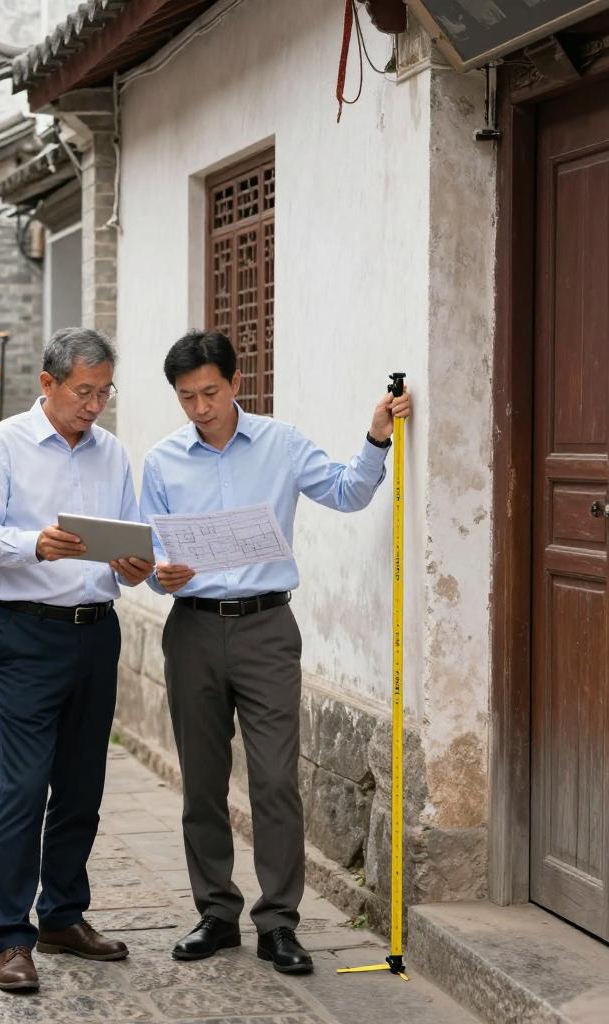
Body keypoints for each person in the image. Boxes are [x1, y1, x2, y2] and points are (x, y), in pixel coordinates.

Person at [139, 330, 412, 975]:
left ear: (237, 383)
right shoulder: (160, 462)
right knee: (201, 781)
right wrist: (159, 574)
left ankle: (280, 922)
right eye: (186, 398)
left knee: (274, 780)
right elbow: (148, 554)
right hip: (193, 628)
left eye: (210, 392)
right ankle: (215, 913)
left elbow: (348, 492)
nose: (200, 407)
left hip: (266, 630)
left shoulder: (282, 443)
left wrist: (376, 437)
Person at [0, 327, 153, 994]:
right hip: (28, 635)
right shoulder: (2, 445)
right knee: (22, 788)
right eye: (83, 391)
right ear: (48, 384)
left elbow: (131, 548)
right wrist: (32, 544)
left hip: (97, 633)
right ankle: (10, 937)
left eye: (104, 392)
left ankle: (63, 915)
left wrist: (135, 565)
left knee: (81, 787)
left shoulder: (113, 454)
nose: (94, 405)